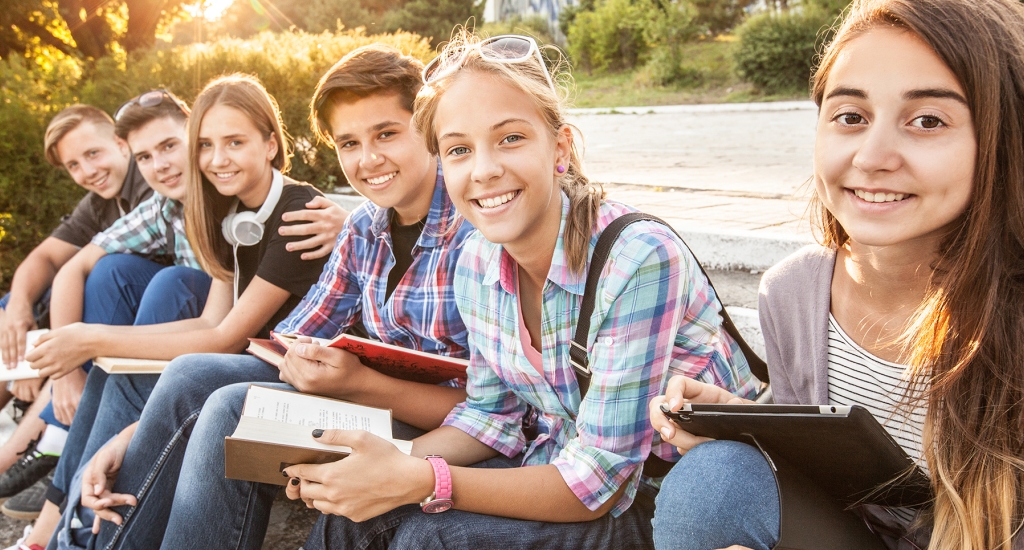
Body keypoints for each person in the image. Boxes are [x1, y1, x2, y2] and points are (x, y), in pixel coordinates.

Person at [281, 33, 758, 550]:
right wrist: (375, 467)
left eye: (510, 138)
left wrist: (421, 478)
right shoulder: (476, 262)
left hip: (662, 500)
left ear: (560, 148)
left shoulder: (637, 258)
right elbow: (491, 416)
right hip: (555, 464)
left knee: (430, 537)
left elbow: (599, 484)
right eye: (460, 149)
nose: (484, 170)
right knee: (351, 518)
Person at [648, 1, 1024, 549]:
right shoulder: (794, 293)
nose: (873, 157)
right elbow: (827, 478)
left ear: (1005, 141)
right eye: (851, 115)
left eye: (927, 121)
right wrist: (753, 423)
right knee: (716, 477)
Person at [75, 44, 476, 550]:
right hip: (363, 396)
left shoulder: (472, 229)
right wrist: (137, 435)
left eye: (387, 134)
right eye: (349, 142)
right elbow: (290, 339)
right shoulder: (363, 228)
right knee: (190, 374)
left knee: (228, 409)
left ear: (429, 127)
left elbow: (495, 411)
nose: (368, 158)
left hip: (439, 424)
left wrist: (360, 383)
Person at [9, 73, 334, 550]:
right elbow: (211, 324)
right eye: (205, 145)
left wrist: (93, 338)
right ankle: (66, 532)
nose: (217, 159)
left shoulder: (295, 211)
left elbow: (224, 336)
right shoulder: (229, 215)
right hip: (254, 363)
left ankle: (76, 541)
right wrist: (97, 349)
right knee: (112, 370)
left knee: (177, 367)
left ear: (270, 144)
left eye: (234, 142)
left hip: (303, 378)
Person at [0, 104, 155, 543]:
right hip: (104, 329)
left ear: (120, 142)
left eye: (92, 154)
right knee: (23, 299)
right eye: (74, 164)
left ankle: (3, 464)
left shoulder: (156, 186)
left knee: (103, 278)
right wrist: (18, 309)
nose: (86, 170)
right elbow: (45, 258)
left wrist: (60, 366)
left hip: (147, 328)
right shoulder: (103, 199)